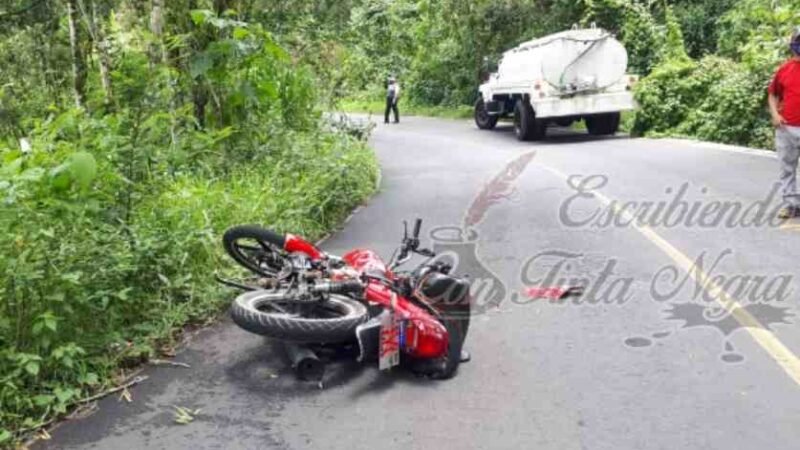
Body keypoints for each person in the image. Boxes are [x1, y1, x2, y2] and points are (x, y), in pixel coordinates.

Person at [769, 27, 800, 219]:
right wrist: (775, 114)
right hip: (787, 127)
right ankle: (791, 205)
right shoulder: (785, 69)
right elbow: (772, 94)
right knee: (787, 168)